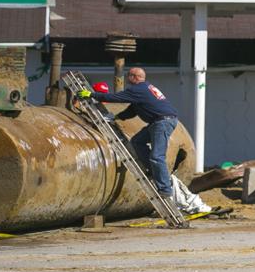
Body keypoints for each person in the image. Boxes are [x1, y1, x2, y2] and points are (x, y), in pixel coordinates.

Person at [76, 67, 180, 204]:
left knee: (157, 156)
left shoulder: (138, 89)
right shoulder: (146, 88)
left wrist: (91, 95)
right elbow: (133, 110)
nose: (127, 78)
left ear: (134, 77)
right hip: (161, 121)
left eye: (129, 75)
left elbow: (115, 98)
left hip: (162, 122)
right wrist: (117, 117)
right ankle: (153, 170)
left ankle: (165, 189)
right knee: (137, 141)